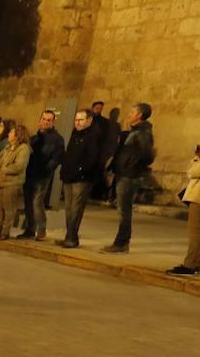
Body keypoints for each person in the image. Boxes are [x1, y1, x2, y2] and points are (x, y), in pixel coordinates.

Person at [103, 103, 155, 254]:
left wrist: (130, 165)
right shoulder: (135, 132)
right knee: (122, 210)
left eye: (132, 112)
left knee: (124, 211)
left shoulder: (142, 133)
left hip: (129, 176)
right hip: (125, 174)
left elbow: (148, 155)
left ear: (139, 115)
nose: (129, 114)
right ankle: (121, 242)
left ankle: (121, 243)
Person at [56, 109, 101, 248]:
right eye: (76, 120)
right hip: (69, 176)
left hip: (81, 178)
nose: (78, 123)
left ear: (89, 120)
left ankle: (72, 238)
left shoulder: (94, 135)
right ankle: (69, 236)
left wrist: (80, 171)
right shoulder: (75, 134)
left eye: (81, 120)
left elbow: (92, 158)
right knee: (69, 208)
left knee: (76, 208)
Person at [18, 110, 65, 241]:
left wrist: (46, 170)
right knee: (28, 202)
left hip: (43, 175)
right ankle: (29, 229)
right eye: (43, 119)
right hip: (30, 174)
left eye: (48, 120)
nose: (45, 122)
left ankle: (41, 228)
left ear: (53, 122)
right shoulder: (35, 137)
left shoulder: (57, 139)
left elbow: (56, 159)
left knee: (37, 202)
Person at [168, 144, 200, 276]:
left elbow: (192, 172)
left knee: (195, 232)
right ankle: (195, 263)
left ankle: (190, 265)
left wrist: (197, 158)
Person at [0, 123, 30, 240]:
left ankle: (5, 232)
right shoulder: (8, 147)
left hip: (11, 183)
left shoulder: (23, 149)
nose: (8, 134)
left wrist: (4, 170)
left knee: (8, 209)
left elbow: (19, 166)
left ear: (18, 135)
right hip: (0, 182)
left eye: (11, 132)